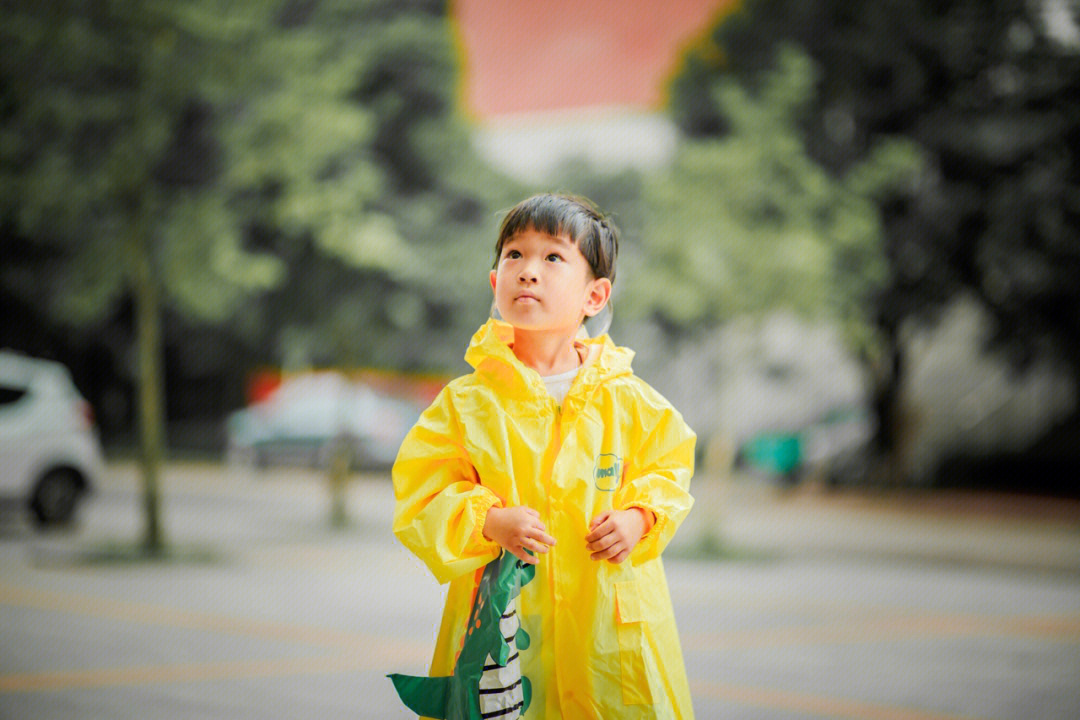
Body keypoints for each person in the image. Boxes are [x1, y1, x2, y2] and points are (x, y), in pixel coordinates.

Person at [392, 193, 696, 719]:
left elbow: (669, 471)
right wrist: (488, 519)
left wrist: (638, 517)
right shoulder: (466, 405)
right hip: (505, 632)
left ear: (595, 296)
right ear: (494, 284)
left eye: (553, 257)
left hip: (606, 635)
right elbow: (423, 493)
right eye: (514, 255)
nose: (528, 271)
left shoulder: (628, 400)